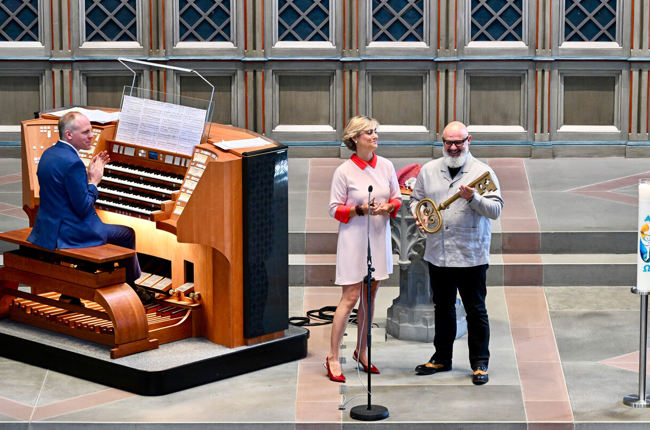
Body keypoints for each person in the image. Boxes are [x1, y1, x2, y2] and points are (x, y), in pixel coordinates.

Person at [410, 121, 503, 385]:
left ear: (468, 141)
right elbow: (417, 200)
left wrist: (474, 199)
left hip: (470, 254)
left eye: (458, 142)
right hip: (439, 254)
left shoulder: (481, 173)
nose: (452, 147)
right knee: (443, 309)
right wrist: (420, 216)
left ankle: (480, 363)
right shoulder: (429, 171)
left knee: (475, 310)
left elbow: (496, 210)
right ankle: (441, 357)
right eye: (448, 142)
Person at [27, 112, 148, 303]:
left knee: (102, 229)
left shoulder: (49, 154)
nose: (91, 135)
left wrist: (85, 178)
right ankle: (131, 286)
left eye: (91, 130)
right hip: (68, 232)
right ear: (69, 135)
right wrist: (93, 181)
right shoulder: (73, 163)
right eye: (85, 132)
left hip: (48, 227)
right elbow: (83, 208)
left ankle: (74, 290)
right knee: (127, 234)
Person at [325, 116, 402, 383]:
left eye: (375, 131)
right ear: (355, 138)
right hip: (354, 239)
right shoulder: (344, 171)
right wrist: (359, 209)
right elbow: (334, 209)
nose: (374, 136)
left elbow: (397, 197)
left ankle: (362, 350)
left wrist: (389, 206)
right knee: (351, 296)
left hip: (378, 236)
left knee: (371, 294)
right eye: (369, 132)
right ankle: (333, 356)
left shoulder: (387, 165)